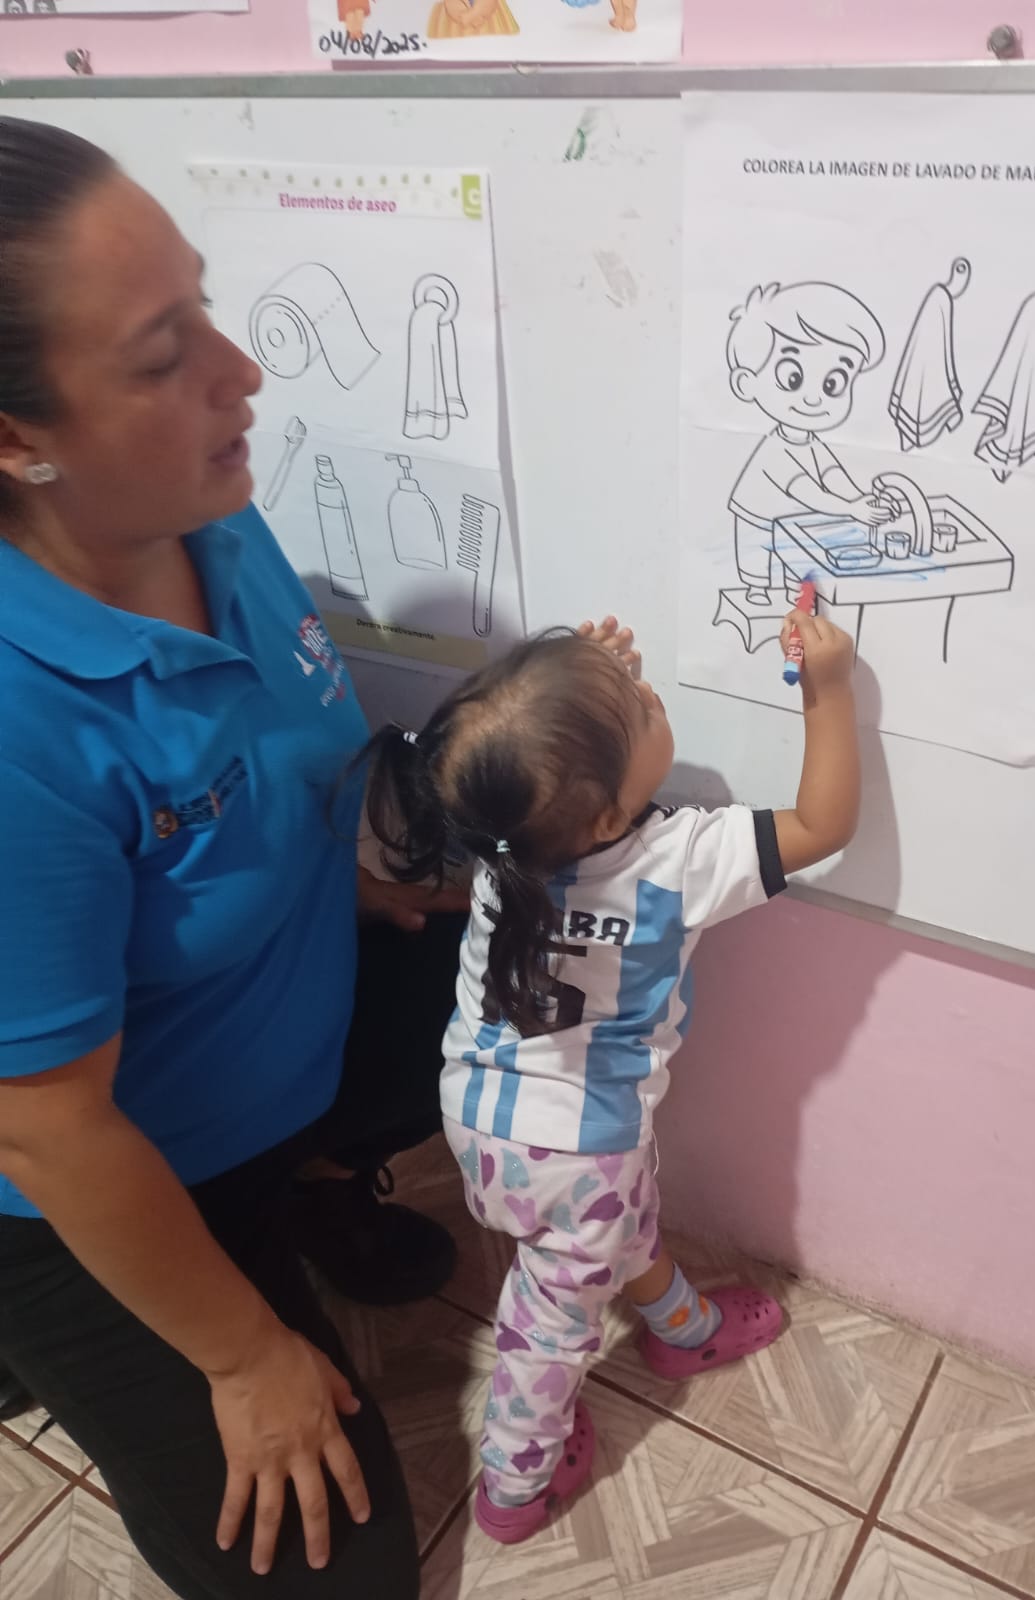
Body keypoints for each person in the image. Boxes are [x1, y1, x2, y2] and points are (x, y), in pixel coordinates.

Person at [0, 115, 466, 1599]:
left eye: (203, 304)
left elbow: (260, 761)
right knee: (342, 1574)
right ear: (14, 439)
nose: (241, 370)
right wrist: (243, 1354)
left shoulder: (208, 513)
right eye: (162, 355)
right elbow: (47, 1128)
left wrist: (346, 882)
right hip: (81, 1182)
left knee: (507, 938)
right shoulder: (15, 728)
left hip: (248, 1056)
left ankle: (306, 1182)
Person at [361, 605, 861, 1543]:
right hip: (580, 1149)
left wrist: (583, 693)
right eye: (635, 706)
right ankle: (516, 1485)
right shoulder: (678, 860)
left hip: (477, 1116)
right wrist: (828, 689)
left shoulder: (505, 838)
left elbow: (531, 761)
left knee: (615, 1225)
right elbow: (823, 823)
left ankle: (683, 1326)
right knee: (547, 1327)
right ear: (602, 811)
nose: (647, 692)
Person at [727, 280, 892, 605]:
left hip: (791, 518)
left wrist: (860, 497)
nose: (815, 398)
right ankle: (757, 588)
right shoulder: (775, 451)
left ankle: (793, 589)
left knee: (795, 553)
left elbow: (831, 474)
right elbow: (805, 489)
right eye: (794, 378)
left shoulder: (813, 443)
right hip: (757, 514)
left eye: (833, 383)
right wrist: (851, 509)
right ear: (747, 383)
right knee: (758, 561)